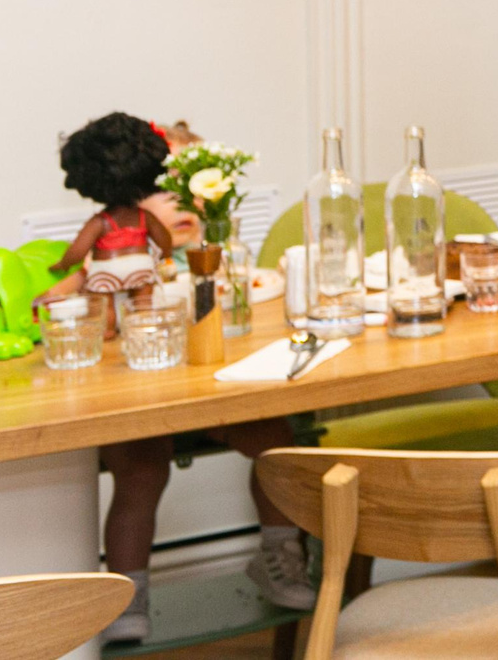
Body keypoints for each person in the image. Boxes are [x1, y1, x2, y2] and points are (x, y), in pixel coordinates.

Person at [39, 116, 315, 641]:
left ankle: (281, 552)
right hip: (140, 398)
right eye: (164, 191)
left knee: (275, 442)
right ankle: (128, 591)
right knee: (141, 470)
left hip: (216, 395)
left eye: (191, 191)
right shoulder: (122, 253)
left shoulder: (220, 259)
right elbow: (72, 288)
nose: (182, 204)